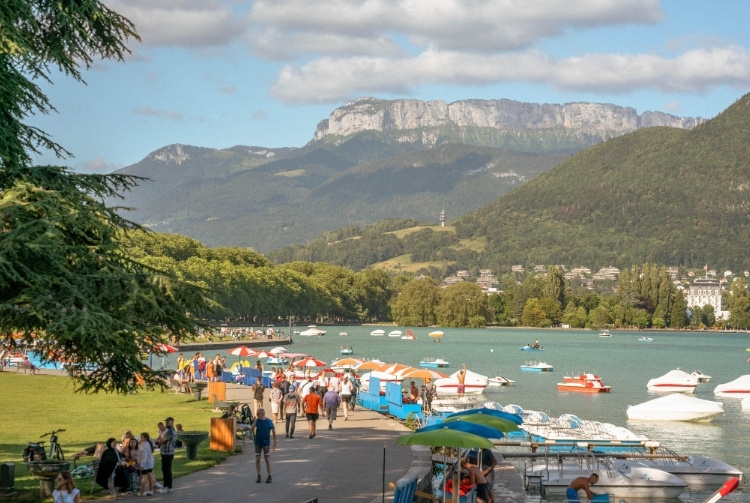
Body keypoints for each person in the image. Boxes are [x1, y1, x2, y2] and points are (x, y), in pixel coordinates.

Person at [252, 408, 276, 483]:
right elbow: (252, 430)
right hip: (258, 442)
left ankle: (269, 476)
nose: (257, 416)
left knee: (267, 459)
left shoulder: (268, 421)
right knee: (257, 459)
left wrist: (274, 442)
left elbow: (273, 432)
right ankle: (259, 475)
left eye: (258, 414)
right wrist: (254, 421)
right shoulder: (257, 421)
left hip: (266, 443)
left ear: (262, 414)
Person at [155, 416, 177, 493]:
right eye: (166, 421)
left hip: (167, 453)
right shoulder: (169, 430)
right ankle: (165, 486)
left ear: (172, 422)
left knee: (167, 470)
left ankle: (169, 487)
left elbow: (162, 441)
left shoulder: (170, 431)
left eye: (168, 421)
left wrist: (158, 441)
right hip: (165, 452)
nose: (166, 423)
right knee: (165, 470)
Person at [138, 432, 156, 496]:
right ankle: (150, 490)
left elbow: (144, 456)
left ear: (145, 438)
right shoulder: (149, 443)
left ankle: (142, 491)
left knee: (144, 477)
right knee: (150, 475)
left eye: (142, 437)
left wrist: (142, 465)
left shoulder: (144, 445)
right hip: (150, 462)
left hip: (145, 463)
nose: (140, 438)